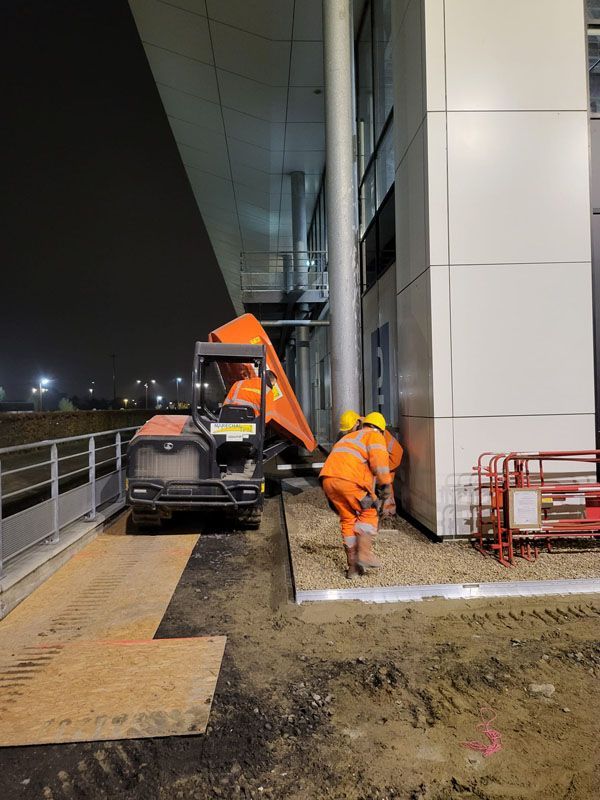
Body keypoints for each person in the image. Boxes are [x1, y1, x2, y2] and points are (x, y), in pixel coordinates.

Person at [319, 411, 392, 578]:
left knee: (348, 518)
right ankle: (364, 554)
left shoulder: (350, 437)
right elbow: (379, 462)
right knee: (370, 510)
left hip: (328, 480)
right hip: (349, 482)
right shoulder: (374, 436)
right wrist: (385, 485)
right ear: (380, 429)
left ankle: (353, 566)